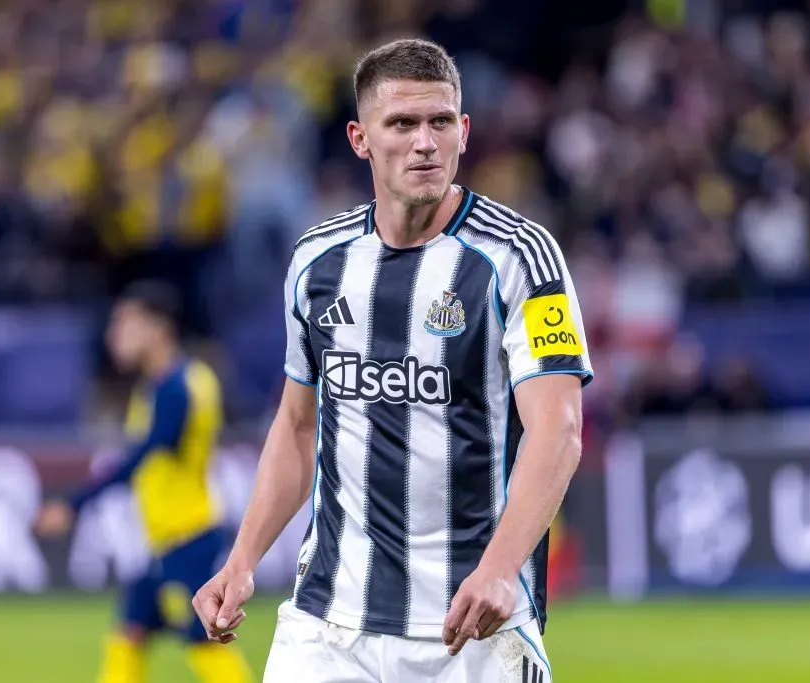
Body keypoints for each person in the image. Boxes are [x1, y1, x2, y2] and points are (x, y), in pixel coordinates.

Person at [193, 38, 591, 682]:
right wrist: (241, 562)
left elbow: (559, 430)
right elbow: (297, 425)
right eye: (402, 123)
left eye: (440, 122)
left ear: (464, 132)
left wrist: (499, 569)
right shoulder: (317, 262)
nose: (425, 142)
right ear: (360, 139)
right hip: (328, 626)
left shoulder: (519, 257)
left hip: (471, 627)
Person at [35, 280, 254, 683]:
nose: (113, 335)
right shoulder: (170, 384)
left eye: (125, 323)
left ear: (158, 328)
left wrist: (73, 505)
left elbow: (140, 458)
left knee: (203, 640)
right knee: (128, 634)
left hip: (187, 538)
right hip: (167, 542)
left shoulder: (176, 389)